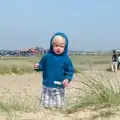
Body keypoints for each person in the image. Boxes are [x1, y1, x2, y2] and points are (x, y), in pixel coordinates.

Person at [34, 32, 74, 108]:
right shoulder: (47, 57)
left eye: (61, 46)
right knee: (45, 104)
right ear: (52, 46)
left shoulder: (66, 59)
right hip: (47, 84)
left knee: (59, 104)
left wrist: (67, 79)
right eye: (56, 45)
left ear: (65, 47)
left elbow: (69, 71)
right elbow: (42, 65)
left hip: (59, 85)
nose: (58, 48)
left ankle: (58, 112)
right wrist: (38, 66)